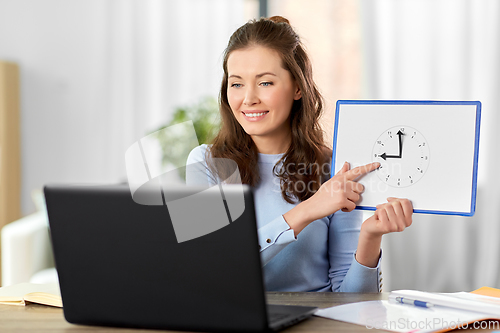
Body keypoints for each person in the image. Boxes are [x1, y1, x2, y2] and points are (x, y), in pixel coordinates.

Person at [186, 16, 412, 292]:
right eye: (237, 84)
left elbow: (351, 301)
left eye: (265, 83)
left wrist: (370, 237)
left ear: (297, 87)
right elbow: (207, 273)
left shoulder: (334, 169)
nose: (248, 98)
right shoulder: (205, 164)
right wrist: (307, 210)